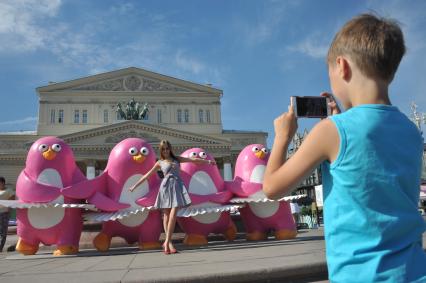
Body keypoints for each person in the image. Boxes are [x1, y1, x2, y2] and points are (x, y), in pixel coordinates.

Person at [263, 14, 426, 283]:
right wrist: (341, 118)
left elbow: (272, 187)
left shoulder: (331, 131)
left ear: (342, 66)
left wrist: (283, 136)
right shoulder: (410, 131)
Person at [129, 140, 215, 254]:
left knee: (173, 214)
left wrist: (208, 161)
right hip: (165, 187)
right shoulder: (160, 162)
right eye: (163, 149)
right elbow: (147, 175)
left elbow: (193, 160)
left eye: (167, 148)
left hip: (176, 186)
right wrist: (134, 186)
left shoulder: (177, 159)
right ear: (161, 150)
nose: (165, 151)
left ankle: (167, 241)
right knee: (166, 215)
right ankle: (168, 243)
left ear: (170, 149)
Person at [0, 177, 15, 252]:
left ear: (3, 182)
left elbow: (12, 198)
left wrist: (9, 209)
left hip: (4, 213)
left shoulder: (8, 190)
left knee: (3, 231)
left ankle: (0, 247)